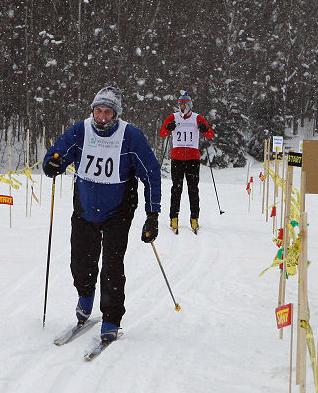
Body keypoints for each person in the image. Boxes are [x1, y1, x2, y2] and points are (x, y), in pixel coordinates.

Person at [43, 86, 161, 342]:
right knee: (80, 261)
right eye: (98, 111)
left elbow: (151, 174)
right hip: (85, 208)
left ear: (115, 114)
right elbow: (56, 154)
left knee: (112, 265)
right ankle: (85, 297)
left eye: (108, 112)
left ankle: (111, 318)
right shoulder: (80, 130)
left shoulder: (131, 136)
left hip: (118, 209)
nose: (102, 117)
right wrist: (52, 163)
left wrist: (153, 214)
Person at [159, 91, 215, 234]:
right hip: (177, 158)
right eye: (180, 104)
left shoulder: (197, 118)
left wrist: (205, 129)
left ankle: (194, 218)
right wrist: (168, 127)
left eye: (184, 104)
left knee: (193, 189)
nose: (181, 107)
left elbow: (210, 134)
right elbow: (162, 133)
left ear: (189, 105)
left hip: (192, 158)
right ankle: (174, 217)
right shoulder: (173, 117)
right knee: (176, 189)